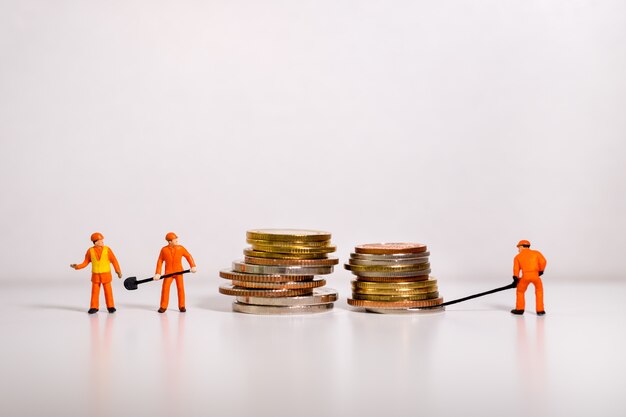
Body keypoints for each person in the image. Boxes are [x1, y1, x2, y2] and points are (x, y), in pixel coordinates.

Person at [71, 232, 123, 314]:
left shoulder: (107, 250)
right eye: (100, 240)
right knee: (95, 292)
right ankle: (94, 307)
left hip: (106, 275)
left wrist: (118, 271)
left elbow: (114, 261)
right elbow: (85, 262)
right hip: (96, 276)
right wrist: (77, 266)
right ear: (95, 242)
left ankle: (111, 306)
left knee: (108, 291)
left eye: (102, 240)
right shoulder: (90, 251)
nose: (102, 241)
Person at [154, 232, 197, 313]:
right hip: (168, 274)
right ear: (170, 242)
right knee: (165, 289)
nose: (177, 241)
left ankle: (182, 306)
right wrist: (158, 273)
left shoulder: (180, 248)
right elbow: (160, 261)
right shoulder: (164, 250)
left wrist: (193, 266)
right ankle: (163, 306)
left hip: (179, 272)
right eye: (175, 240)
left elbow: (188, 256)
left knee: (180, 288)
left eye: (177, 240)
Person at [511, 240, 547, 316]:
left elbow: (516, 269)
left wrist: (515, 279)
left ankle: (520, 309)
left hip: (525, 277)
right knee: (539, 291)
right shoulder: (536, 253)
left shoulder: (518, 257)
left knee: (520, 292)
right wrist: (541, 271)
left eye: (519, 247)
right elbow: (543, 261)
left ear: (521, 246)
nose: (518, 250)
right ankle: (540, 310)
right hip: (536, 276)